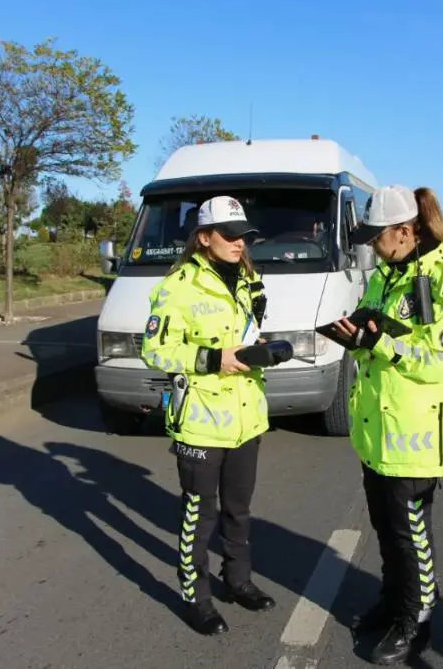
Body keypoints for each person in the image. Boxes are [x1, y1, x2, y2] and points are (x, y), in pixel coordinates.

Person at [326, 185, 443, 665]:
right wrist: (356, 338)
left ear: (404, 230)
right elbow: (377, 335)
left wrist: (382, 347)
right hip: (377, 429)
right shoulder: (387, 276)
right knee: (385, 529)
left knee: (410, 535)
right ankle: (393, 604)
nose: (372, 244)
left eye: (378, 236)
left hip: (413, 435)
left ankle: (415, 624)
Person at [141, 195, 276, 636]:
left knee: (239, 509)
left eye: (245, 236)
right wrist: (213, 359)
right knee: (200, 515)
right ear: (204, 237)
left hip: (246, 417)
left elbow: (252, 330)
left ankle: (237, 580)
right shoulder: (177, 285)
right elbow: (154, 349)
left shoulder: (247, 279)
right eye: (230, 235)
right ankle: (194, 597)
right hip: (200, 419)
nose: (240, 244)